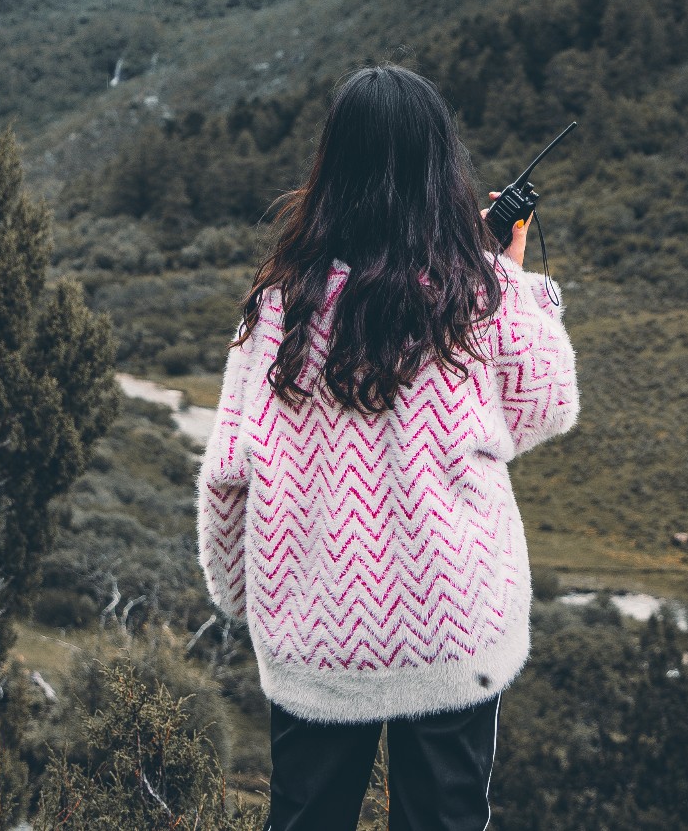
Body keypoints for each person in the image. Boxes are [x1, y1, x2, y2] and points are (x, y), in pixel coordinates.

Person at [198, 64, 578, 831]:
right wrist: (505, 267)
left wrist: (249, 603)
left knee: (306, 819)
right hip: (454, 620)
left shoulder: (277, 306)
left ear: (333, 165)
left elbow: (227, 477)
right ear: (441, 169)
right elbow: (547, 405)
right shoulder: (476, 296)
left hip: (315, 624)